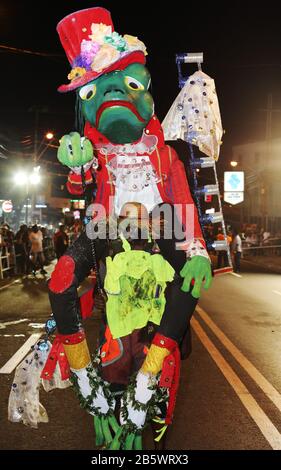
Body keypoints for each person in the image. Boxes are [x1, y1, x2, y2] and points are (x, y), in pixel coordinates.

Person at [47, 6, 212, 450]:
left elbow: (182, 202)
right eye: (94, 93)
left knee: (188, 284)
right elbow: (81, 183)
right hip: (107, 234)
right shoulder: (99, 153)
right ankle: (87, 383)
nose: (113, 95)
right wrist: (77, 162)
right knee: (61, 281)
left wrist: (197, 250)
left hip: (161, 231)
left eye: (132, 83)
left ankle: (149, 384)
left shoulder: (166, 155)